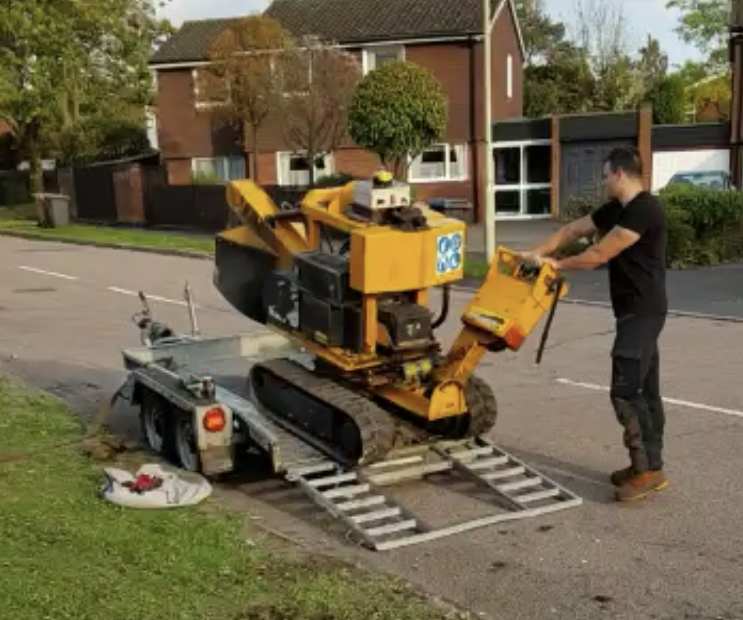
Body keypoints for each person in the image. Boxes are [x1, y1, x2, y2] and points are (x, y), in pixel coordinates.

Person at [527, 146, 669, 502]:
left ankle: (647, 470)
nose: (603, 181)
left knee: (626, 390)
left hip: (643, 310)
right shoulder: (616, 209)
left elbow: (597, 255)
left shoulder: (644, 210)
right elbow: (574, 230)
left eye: (605, 175)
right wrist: (536, 254)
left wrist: (556, 265)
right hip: (634, 311)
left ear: (619, 174)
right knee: (645, 389)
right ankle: (649, 464)